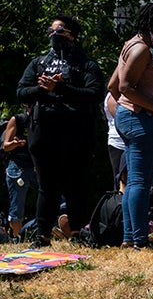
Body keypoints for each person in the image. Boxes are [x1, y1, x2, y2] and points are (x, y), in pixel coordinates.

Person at [15, 13, 105, 247]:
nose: (55, 35)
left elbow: (95, 94)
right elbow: (21, 91)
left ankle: (77, 233)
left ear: (72, 36)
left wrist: (63, 88)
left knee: (76, 185)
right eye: (51, 31)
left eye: (60, 30)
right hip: (43, 132)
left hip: (76, 133)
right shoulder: (39, 62)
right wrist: (41, 88)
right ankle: (42, 236)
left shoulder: (86, 64)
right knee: (48, 187)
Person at [109, 3, 153, 249]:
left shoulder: (128, 46)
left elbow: (112, 87)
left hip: (132, 119)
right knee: (140, 182)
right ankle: (139, 240)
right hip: (143, 120)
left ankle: (130, 237)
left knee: (135, 181)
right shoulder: (141, 50)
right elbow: (125, 87)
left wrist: (124, 111)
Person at [3, 107, 37, 239]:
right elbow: (6, 146)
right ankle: (17, 238)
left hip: (37, 167)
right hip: (18, 167)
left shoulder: (43, 119)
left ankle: (41, 231)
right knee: (17, 206)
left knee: (54, 199)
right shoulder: (17, 120)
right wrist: (15, 143)